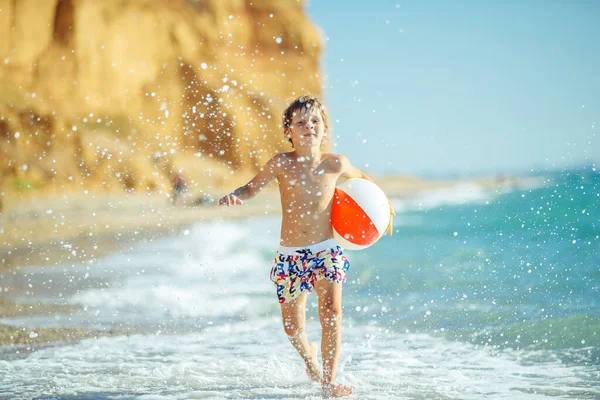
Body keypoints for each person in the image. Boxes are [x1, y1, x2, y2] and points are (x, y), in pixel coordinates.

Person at [218, 95, 393, 398]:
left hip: (326, 251)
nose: (308, 126)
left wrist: (384, 214)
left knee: (331, 312)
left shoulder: (336, 163)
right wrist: (235, 195)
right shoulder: (281, 163)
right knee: (291, 327)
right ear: (289, 131)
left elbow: (366, 186)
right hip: (290, 255)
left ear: (325, 129)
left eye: (315, 121)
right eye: (300, 122)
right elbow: (250, 187)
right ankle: (308, 355)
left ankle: (328, 382)